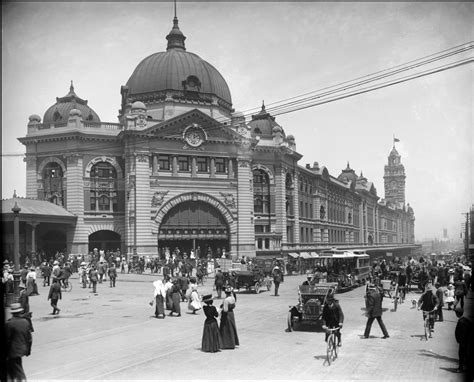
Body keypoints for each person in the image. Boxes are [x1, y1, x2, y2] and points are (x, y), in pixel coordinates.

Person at [5, 303, 33, 381]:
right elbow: (29, 339)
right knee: (15, 366)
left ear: (12, 313)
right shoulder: (26, 322)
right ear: (20, 312)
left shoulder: (10, 324)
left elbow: (7, 340)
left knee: (17, 368)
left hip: (13, 351)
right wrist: (28, 350)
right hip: (22, 349)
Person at [454, 306, 473, 374]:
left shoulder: (461, 322)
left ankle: (461, 368)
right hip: (467, 341)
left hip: (463, 342)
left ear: (457, 314)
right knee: (466, 355)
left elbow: (460, 333)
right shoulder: (466, 320)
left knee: (461, 355)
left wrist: (460, 340)